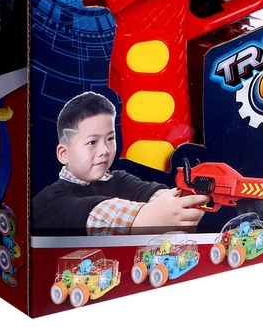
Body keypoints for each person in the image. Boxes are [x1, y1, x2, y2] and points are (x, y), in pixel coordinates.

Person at [32, 91, 208, 233]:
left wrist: (184, 200)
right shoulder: (48, 201)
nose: (105, 150)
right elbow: (104, 214)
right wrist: (152, 216)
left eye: (110, 138)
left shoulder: (118, 179)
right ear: (63, 153)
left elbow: (161, 196)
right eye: (92, 142)